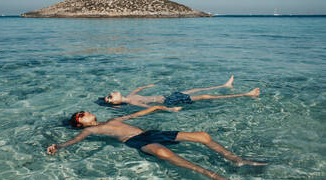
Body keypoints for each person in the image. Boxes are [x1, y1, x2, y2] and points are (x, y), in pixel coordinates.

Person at [47, 105, 267, 180]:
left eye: (83, 111)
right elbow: (74, 141)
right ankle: (214, 176)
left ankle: (237, 159)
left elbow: (135, 114)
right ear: (80, 123)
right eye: (81, 115)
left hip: (151, 134)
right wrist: (58, 146)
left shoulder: (112, 120)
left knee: (202, 136)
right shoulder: (89, 130)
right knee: (163, 153)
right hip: (136, 141)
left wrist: (157, 108)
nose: (85, 113)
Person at [101, 75, 260, 108]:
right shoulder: (133, 102)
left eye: (109, 95)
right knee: (204, 96)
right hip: (169, 101)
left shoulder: (130, 96)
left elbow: (137, 89)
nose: (111, 93)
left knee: (197, 89)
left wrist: (146, 87)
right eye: (110, 97)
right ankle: (247, 94)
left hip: (168, 96)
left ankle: (225, 85)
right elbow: (151, 108)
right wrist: (171, 110)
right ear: (116, 103)